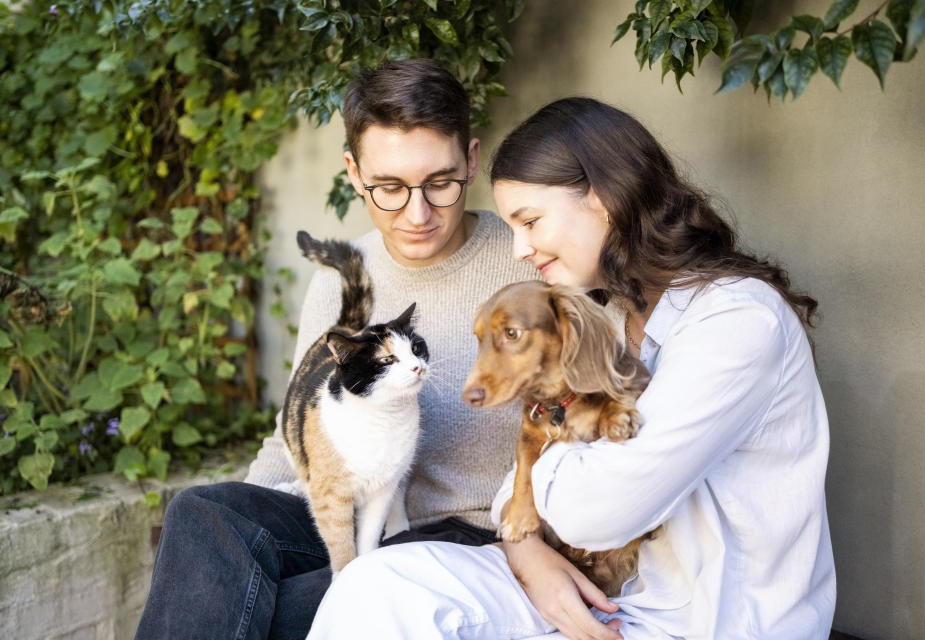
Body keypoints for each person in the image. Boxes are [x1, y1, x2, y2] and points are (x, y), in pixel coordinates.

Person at [307, 97, 836, 639]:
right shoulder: (609, 312)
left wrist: (534, 470)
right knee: (375, 586)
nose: (518, 249)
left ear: (604, 199)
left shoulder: (737, 321)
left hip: (695, 622)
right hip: (586, 585)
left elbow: (599, 510)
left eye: (530, 221)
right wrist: (525, 551)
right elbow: (513, 496)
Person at [134, 59, 534, 640]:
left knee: (287, 612)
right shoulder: (341, 281)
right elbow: (294, 431)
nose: (417, 213)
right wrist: (244, 541)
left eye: (441, 183)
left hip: (462, 541)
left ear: (472, 160)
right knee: (205, 514)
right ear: (353, 172)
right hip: (346, 514)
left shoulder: (527, 261)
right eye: (390, 188)